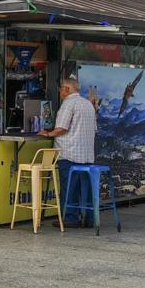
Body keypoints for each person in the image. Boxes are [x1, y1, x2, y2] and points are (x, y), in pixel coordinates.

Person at [38, 78, 97, 225]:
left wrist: (48, 134)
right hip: (87, 156)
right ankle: (90, 219)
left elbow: (62, 128)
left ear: (67, 89)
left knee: (69, 187)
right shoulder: (88, 105)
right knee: (86, 189)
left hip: (70, 153)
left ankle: (70, 218)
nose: (60, 92)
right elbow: (95, 129)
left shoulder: (68, 104)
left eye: (61, 89)